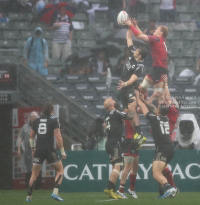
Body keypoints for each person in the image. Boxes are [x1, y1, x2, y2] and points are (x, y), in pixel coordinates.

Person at [134, 89, 176, 199]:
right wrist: (145, 99)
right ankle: (162, 193)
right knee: (159, 170)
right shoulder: (165, 118)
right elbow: (152, 107)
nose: (155, 109)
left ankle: (170, 188)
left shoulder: (154, 118)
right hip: (168, 147)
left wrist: (138, 98)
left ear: (158, 111)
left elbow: (144, 109)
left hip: (163, 148)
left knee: (156, 173)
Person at [26, 102, 66, 202]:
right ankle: (55, 193)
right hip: (49, 149)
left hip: (38, 149)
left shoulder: (37, 120)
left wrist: (33, 149)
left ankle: (29, 197)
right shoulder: (54, 119)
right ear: (52, 110)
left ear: (42, 110)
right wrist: (62, 151)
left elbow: (31, 136)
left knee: (34, 174)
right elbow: (58, 136)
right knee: (60, 170)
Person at [123, 18, 169, 104]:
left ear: (161, 33)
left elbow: (139, 36)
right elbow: (142, 35)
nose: (155, 30)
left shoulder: (156, 39)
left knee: (159, 96)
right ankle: (145, 105)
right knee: (141, 89)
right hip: (155, 69)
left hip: (160, 70)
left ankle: (162, 115)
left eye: (157, 29)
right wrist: (136, 26)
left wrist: (130, 25)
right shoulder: (160, 40)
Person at [117, 28, 148, 142]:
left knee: (132, 108)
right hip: (123, 88)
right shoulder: (134, 52)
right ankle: (133, 133)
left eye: (137, 51)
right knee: (126, 112)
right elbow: (129, 38)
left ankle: (139, 133)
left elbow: (133, 78)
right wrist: (129, 27)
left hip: (130, 87)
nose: (134, 50)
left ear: (139, 56)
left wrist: (125, 83)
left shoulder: (140, 66)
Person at [103, 98, 133, 199]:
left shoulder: (107, 114)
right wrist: (133, 108)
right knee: (118, 167)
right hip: (115, 143)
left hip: (109, 143)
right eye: (112, 100)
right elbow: (129, 116)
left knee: (114, 167)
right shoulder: (114, 112)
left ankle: (113, 191)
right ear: (112, 104)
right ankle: (109, 188)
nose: (114, 100)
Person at [17, 111, 42, 189]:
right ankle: (28, 186)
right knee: (28, 169)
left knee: (38, 168)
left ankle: (38, 186)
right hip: (28, 152)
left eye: (35, 116)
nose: (34, 118)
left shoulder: (41, 127)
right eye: (32, 116)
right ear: (30, 118)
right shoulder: (25, 127)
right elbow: (20, 138)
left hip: (38, 151)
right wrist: (18, 149)